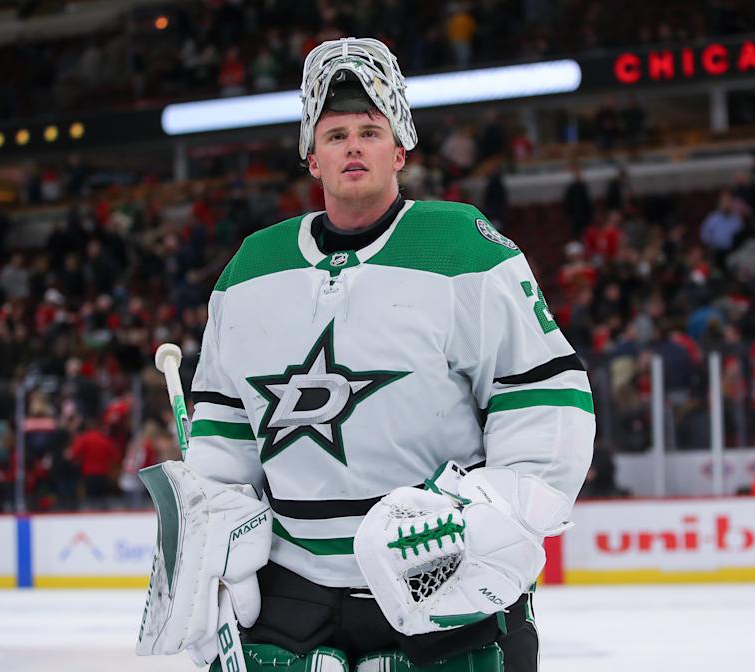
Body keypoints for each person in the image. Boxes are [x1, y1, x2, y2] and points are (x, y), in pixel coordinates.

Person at [137, 38, 595, 672]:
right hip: (291, 586)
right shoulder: (249, 270)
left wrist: (494, 516)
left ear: (399, 150)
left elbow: (544, 399)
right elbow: (225, 423)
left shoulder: (465, 248)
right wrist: (218, 531)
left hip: (441, 571)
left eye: (370, 131)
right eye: (335, 135)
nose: (353, 145)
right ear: (312, 159)